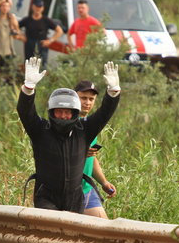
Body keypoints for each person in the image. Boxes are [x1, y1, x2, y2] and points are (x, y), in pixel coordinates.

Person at [17, 57, 120, 216]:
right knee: (52, 233)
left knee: (73, 238)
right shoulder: (40, 129)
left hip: (75, 198)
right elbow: (25, 112)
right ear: (52, 112)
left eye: (67, 112)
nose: (63, 116)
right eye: (59, 111)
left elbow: (104, 113)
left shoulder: (84, 130)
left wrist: (113, 93)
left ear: (74, 113)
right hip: (46, 197)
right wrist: (28, 89)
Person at [75, 80, 117, 218]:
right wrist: (79, 152)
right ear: (74, 97)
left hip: (86, 188)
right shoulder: (64, 122)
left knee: (103, 230)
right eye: (83, 98)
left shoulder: (90, 124)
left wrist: (104, 182)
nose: (87, 102)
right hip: (67, 191)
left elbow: (91, 159)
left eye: (91, 99)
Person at [16, 0, 63, 68]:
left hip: (42, 46)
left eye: (40, 7)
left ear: (42, 8)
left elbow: (59, 31)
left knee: (42, 68)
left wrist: (50, 40)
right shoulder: (27, 19)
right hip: (29, 45)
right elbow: (14, 26)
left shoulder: (46, 20)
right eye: (36, 7)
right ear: (33, 7)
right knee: (29, 67)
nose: (38, 9)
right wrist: (20, 36)